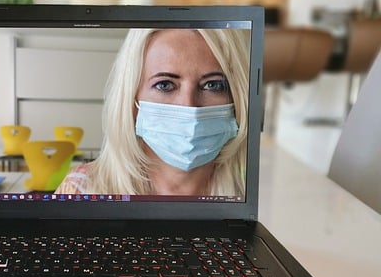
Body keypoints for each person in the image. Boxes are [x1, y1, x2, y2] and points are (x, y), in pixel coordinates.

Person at [55, 27, 250, 198]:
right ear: (132, 97)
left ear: (237, 96)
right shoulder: (81, 190)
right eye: (164, 85)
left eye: (213, 85)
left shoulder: (252, 195)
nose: (189, 107)